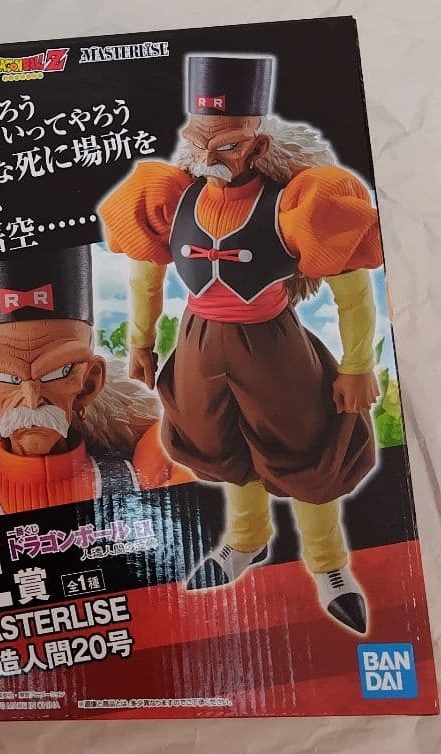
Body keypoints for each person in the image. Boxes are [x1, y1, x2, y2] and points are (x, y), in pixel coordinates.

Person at [98, 54, 382, 633]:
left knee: (306, 454)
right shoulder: (171, 200)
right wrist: (142, 343)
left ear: (257, 144)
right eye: (199, 143)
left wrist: (356, 366)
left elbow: (354, 293)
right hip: (198, 344)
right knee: (221, 448)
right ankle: (246, 541)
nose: (209, 158)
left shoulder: (295, 204)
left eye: (226, 145)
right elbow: (145, 278)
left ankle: (328, 564)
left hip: (274, 346)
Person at [0, 245, 191, 524]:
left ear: (89, 383)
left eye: (56, 372)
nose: (32, 399)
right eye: (6, 378)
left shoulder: (139, 476)